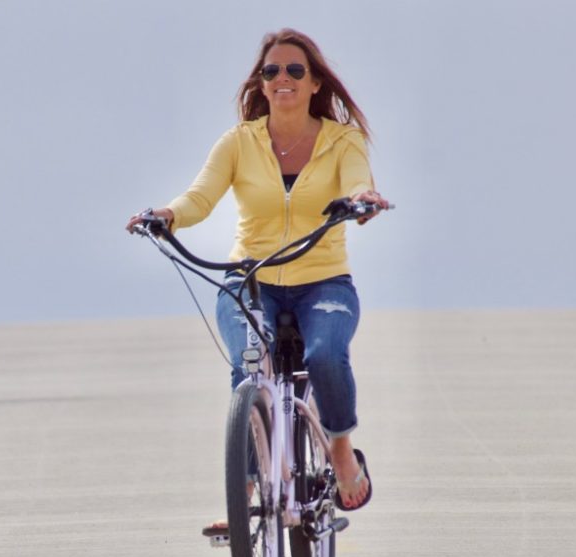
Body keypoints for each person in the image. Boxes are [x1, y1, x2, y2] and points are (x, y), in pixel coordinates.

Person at [126, 28, 390, 513]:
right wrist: (166, 215)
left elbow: (356, 184)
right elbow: (200, 197)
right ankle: (245, 490)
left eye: (295, 70)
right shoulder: (238, 143)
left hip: (324, 281)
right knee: (250, 360)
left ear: (314, 84)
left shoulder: (343, 141)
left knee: (327, 354)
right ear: (261, 84)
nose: (282, 78)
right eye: (272, 71)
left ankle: (339, 447)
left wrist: (361, 200)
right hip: (250, 280)